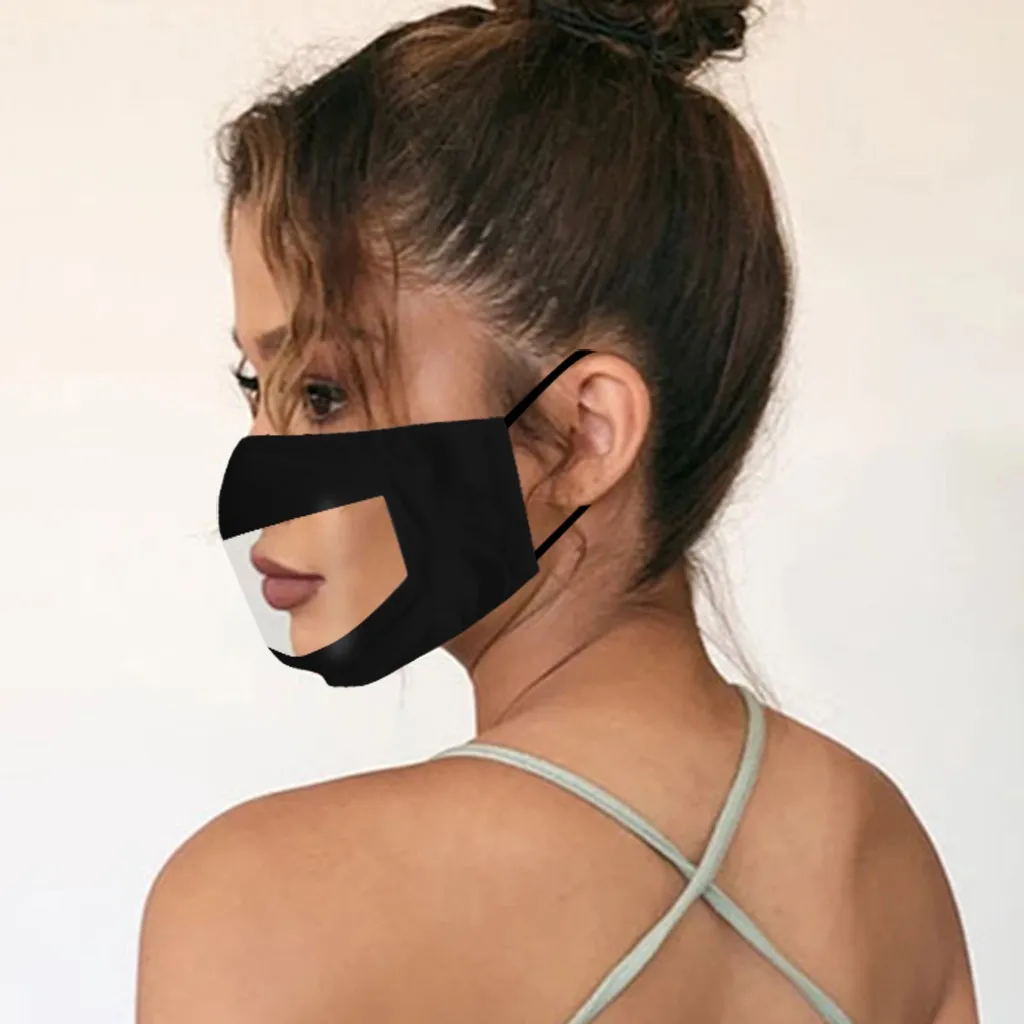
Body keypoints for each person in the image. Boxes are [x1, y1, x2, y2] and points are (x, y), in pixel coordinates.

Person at [136, 2, 980, 1021]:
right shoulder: (882, 859)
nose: (263, 459)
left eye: (322, 393)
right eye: (255, 384)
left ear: (585, 435)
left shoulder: (259, 903)